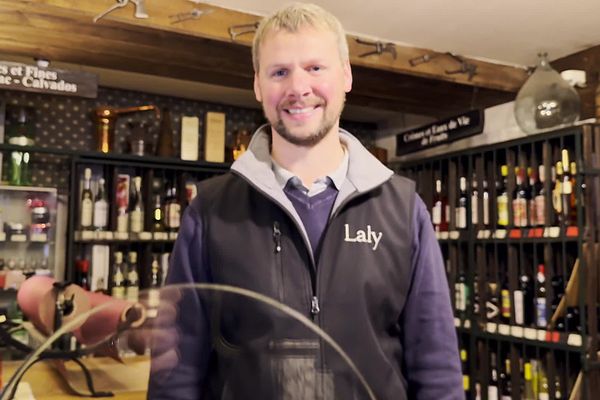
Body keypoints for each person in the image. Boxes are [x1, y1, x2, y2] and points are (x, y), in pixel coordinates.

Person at [148, 2, 463, 399]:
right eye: (279, 72)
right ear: (259, 86)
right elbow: (177, 367)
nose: (298, 88)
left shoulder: (404, 209)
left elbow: (436, 366)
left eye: (315, 68)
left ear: (346, 76)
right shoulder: (210, 211)